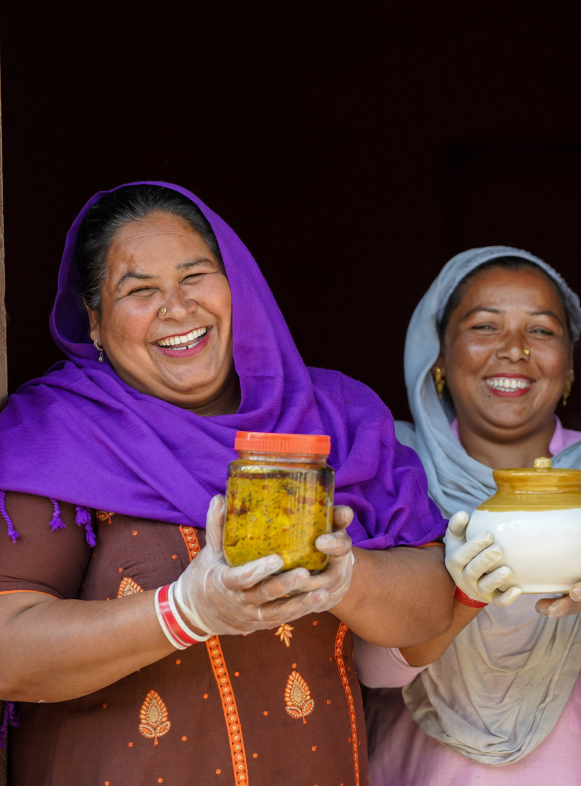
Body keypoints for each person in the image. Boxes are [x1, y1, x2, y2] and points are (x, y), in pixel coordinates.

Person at [0, 182, 454, 785]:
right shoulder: (54, 435)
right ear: (96, 322)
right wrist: (185, 610)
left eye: (196, 277)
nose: (178, 308)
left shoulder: (335, 418)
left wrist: (343, 578)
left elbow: (428, 610)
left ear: (239, 285)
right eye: (139, 291)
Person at [353, 247, 581, 785]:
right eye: (484, 326)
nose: (515, 349)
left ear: (568, 365)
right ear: (439, 357)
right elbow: (373, 670)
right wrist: (461, 597)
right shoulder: (397, 470)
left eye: (542, 331)